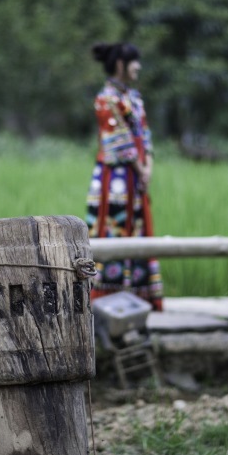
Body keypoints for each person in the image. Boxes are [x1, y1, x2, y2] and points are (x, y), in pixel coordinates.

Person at [85, 42, 164, 311]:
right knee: (114, 225)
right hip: (115, 178)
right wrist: (142, 169)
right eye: (134, 61)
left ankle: (140, 293)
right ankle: (108, 295)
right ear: (120, 64)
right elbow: (119, 141)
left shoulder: (134, 98)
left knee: (138, 227)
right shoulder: (106, 98)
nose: (138, 66)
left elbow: (145, 134)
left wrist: (148, 166)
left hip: (136, 177)